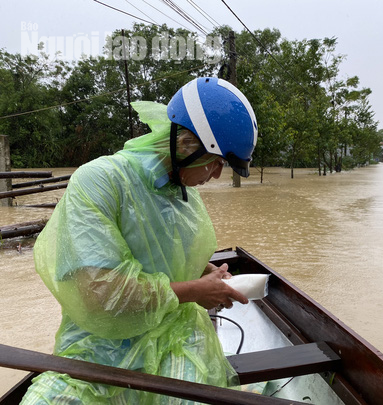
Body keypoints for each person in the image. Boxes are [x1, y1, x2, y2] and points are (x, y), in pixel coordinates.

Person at [21, 77, 258, 404]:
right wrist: (194, 291)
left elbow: (166, 254)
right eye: (216, 162)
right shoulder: (101, 181)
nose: (216, 175)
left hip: (176, 332)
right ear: (186, 145)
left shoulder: (185, 196)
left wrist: (205, 272)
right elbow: (100, 293)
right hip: (100, 343)